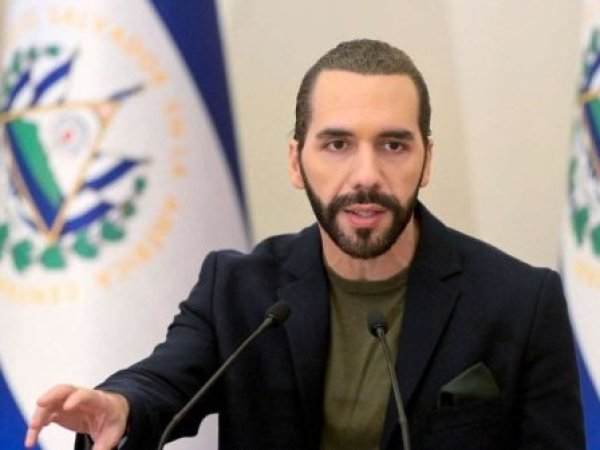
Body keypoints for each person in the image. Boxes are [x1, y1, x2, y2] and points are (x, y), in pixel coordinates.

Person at [25, 39, 585, 450]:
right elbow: (162, 380)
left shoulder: (520, 302)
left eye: (393, 145)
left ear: (427, 160)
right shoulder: (239, 290)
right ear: (296, 162)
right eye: (337, 144)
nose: (366, 175)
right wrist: (118, 405)